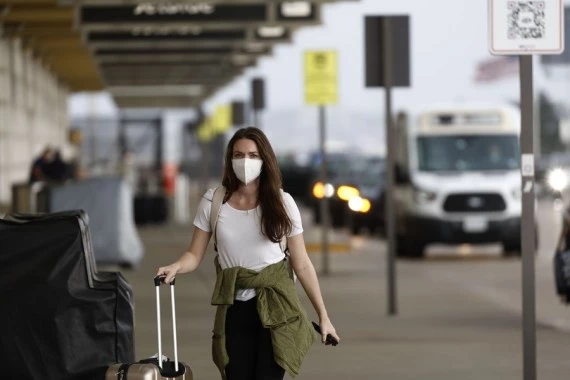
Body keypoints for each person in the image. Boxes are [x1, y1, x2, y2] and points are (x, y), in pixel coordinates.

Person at [157, 127, 340, 380]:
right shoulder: (213, 202)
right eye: (239, 155)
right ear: (230, 160)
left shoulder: (282, 203)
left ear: (265, 160)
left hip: (278, 308)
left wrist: (324, 316)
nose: (245, 162)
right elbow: (194, 254)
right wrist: (176, 266)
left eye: (253, 155)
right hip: (235, 308)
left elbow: (302, 264)